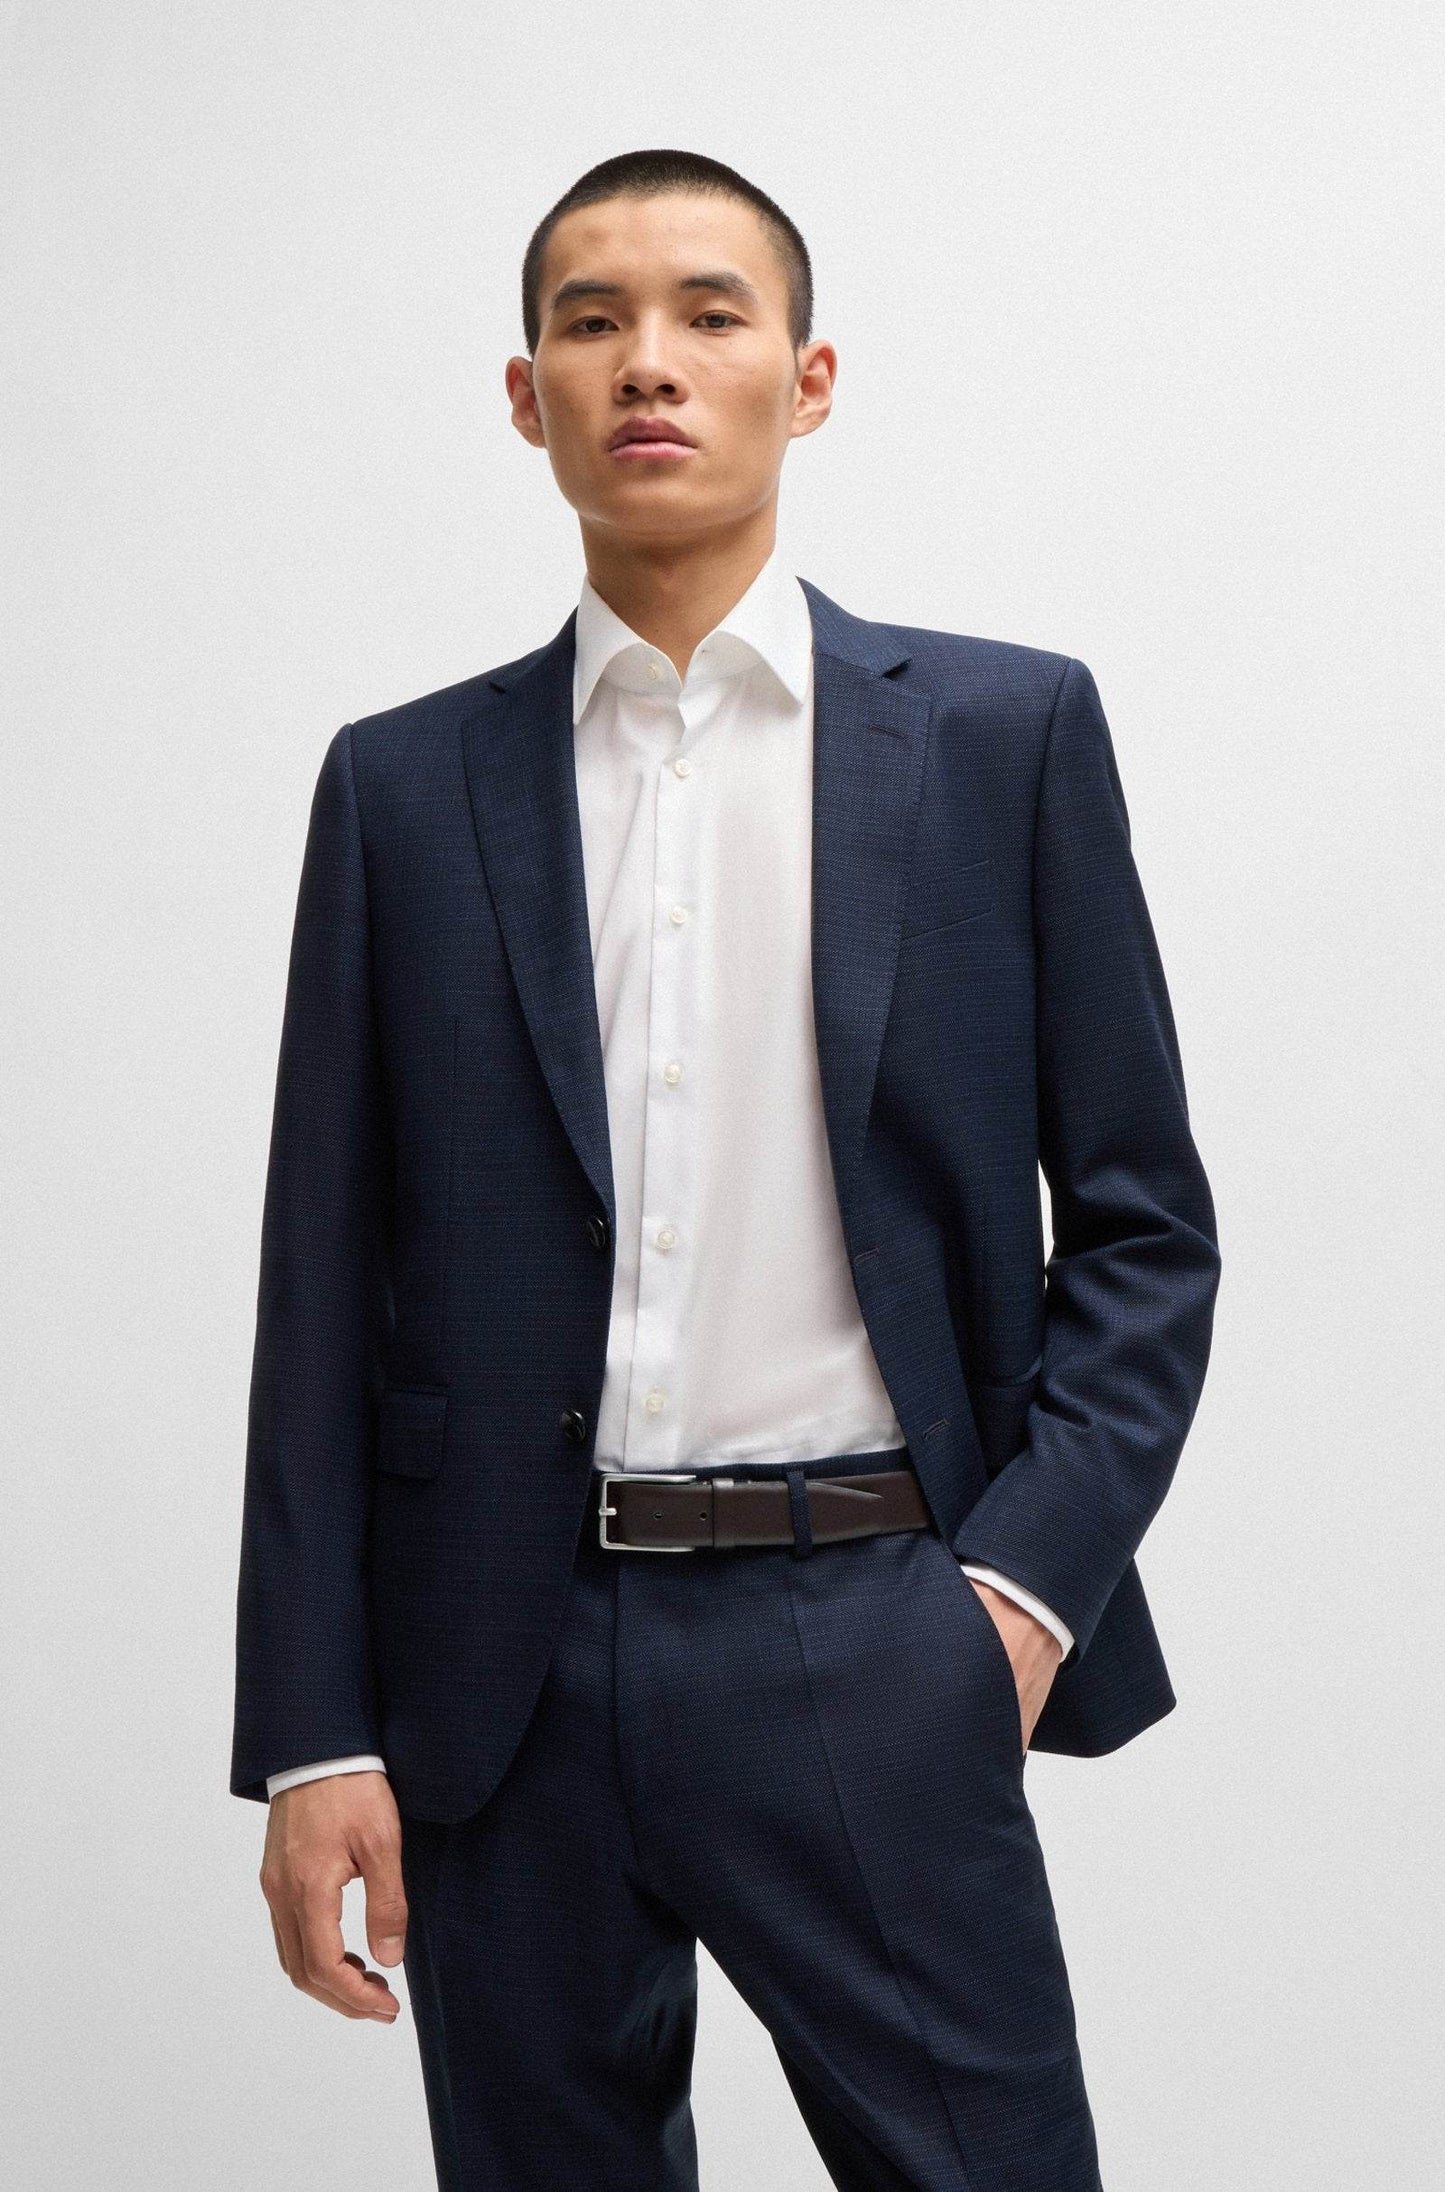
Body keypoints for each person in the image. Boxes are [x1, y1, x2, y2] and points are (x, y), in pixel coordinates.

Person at [231, 147, 1220, 2191]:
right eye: (590, 322)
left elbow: (1143, 1228)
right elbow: (324, 1288)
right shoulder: (403, 787)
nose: (648, 363)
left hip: (872, 1628)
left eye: (708, 313)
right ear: (528, 397)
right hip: (498, 1666)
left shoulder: (1002, 738)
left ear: (809, 376)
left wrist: (1016, 1599)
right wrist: (316, 1730)